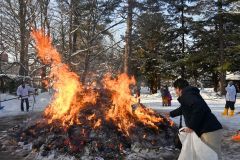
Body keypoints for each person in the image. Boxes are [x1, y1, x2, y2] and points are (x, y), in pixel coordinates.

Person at [169, 78, 223, 159]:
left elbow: (199, 108)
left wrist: (191, 126)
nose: (175, 92)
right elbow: (185, 108)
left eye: (175, 89)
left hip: (209, 130)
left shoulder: (188, 95)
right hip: (207, 130)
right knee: (208, 156)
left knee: (212, 155)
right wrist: (170, 114)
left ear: (178, 88)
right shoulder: (189, 94)